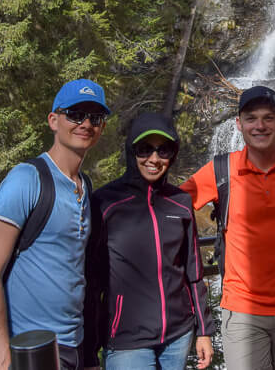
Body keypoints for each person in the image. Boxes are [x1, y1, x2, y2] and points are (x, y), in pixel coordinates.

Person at [180, 85, 275, 370]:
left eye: (268, 117)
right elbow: (174, 206)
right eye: (251, 118)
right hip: (243, 310)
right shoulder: (221, 171)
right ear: (239, 124)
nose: (260, 125)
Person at [0, 78, 110, 370]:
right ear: (54, 120)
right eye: (75, 114)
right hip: (32, 347)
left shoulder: (85, 187)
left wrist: (88, 353)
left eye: (95, 116)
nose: (86, 123)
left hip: (74, 345)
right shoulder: (26, 179)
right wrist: (1, 359)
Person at [82, 111, 214, 370]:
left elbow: (193, 272)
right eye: (145, 149)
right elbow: (91, 280)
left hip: (178, 335)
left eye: (163, 150)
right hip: (126, 340)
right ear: (132, 152)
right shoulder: (105, 202)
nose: (154, 159)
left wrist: (204, 331)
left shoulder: (181, 202)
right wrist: (88, 350)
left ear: (172, 154)